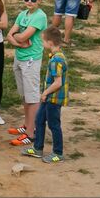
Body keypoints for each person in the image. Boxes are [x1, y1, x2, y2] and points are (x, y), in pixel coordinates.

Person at [6, 0, 48, 148]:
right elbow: (10, 35)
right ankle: (26, 125)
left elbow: (21, 35)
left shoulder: (40, 16)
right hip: (19, 57)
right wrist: (19, 41)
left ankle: (31, 133)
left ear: (39, 1)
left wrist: (17, 38)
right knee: (25, 96)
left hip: (31, 59)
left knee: (32, 97)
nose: (29, 2)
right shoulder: (22, 14)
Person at [24, 28, 67, 163]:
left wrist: (45, 93)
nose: (42, 43)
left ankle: (58, 153)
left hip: (53, 99)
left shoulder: (55, 61)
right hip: (48, 98)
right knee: (39, 120)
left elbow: (58, 82)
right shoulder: (57, 56)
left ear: (49, 42)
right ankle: (38, 148)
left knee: (54, 125)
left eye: (43, 41)